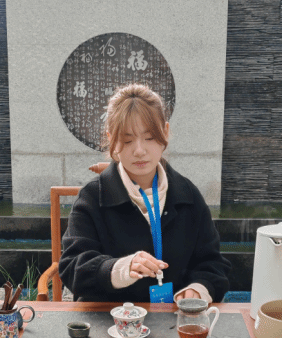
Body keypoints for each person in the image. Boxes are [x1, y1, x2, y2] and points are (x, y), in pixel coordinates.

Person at [59, 83, 231, 303]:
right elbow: (72, 267)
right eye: (127, 140)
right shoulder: (92, 198)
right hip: (109, 318)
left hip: (173, 318)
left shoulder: (188, 196)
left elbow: (213, 264)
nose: (139, 151)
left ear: (165, 132)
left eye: (149, 138)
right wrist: (119, 269)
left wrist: (198, 289)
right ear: (111, 139)